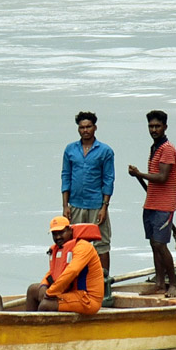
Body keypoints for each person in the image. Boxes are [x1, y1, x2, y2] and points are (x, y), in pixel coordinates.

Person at [127, 110, 176, 297]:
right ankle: (159, 283)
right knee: (153, 243)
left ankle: (172, 284)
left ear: (165, 127)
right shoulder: (155, 147)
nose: (154, 129)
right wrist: (139, 174)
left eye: (157, 126)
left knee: (160, 244)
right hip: (151, 203)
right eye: (151, 126)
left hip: (164, 205)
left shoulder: (167, 149)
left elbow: (163, 177)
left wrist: (139, 174)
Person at [61, 110, 114, 277]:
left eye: (88, 127)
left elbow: (108, 179)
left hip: (96, 204)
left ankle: (104, 282)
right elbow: (65, 176)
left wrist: (104, 207)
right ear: (78, 129)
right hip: (75, 205)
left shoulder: (105, 151)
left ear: (95, 128)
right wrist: (65, 206)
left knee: (101, 244)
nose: (85, 130)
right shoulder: (70, 149)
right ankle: (77, 280)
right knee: (74, 244)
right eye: (82, 127)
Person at [25, 216, 104, 314]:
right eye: (55, 234)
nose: (58, 237)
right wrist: (44, 286)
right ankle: (29, 325)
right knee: (33, 290)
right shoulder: (59, 249)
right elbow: (52, 272)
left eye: (61, 232)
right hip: (70, 293)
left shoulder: (83, 247)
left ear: (70, 230)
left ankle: (44, 329)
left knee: (46, 305)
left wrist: (50, 293)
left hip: (87, 299)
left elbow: (72, 271)